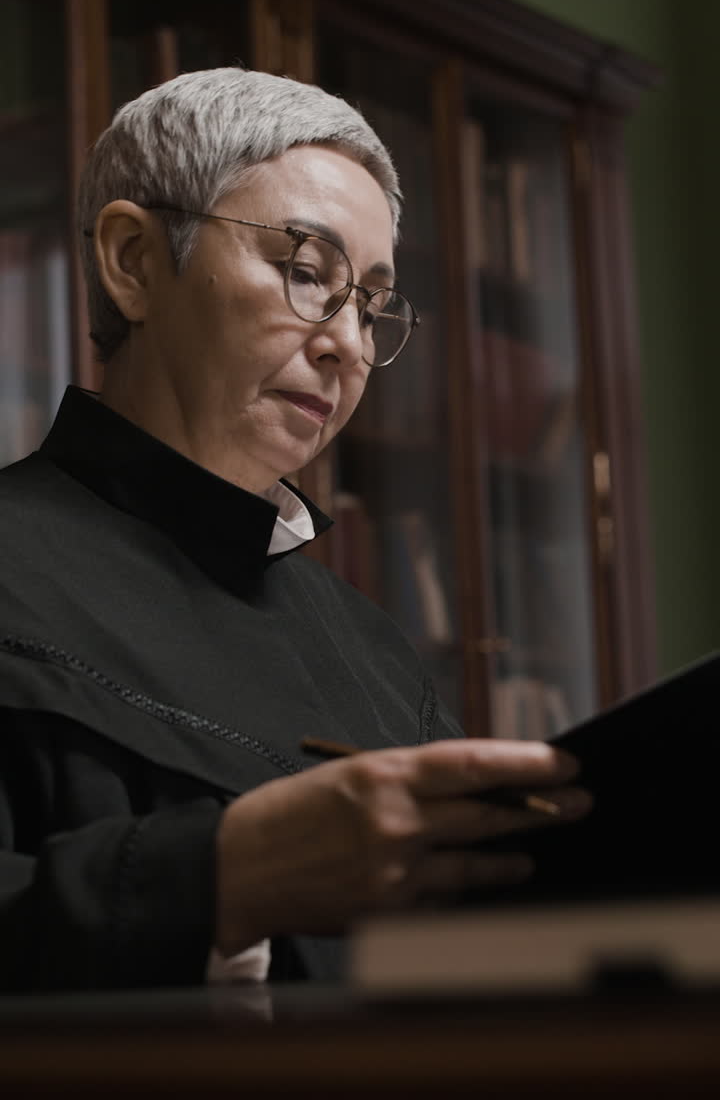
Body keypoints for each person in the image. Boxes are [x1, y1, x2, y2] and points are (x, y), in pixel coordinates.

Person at [0, 69, 590, 992]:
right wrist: (222, 878)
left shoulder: (377, 653)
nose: (349, 344)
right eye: (306, 273)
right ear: (135, 262)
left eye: (369, 303)